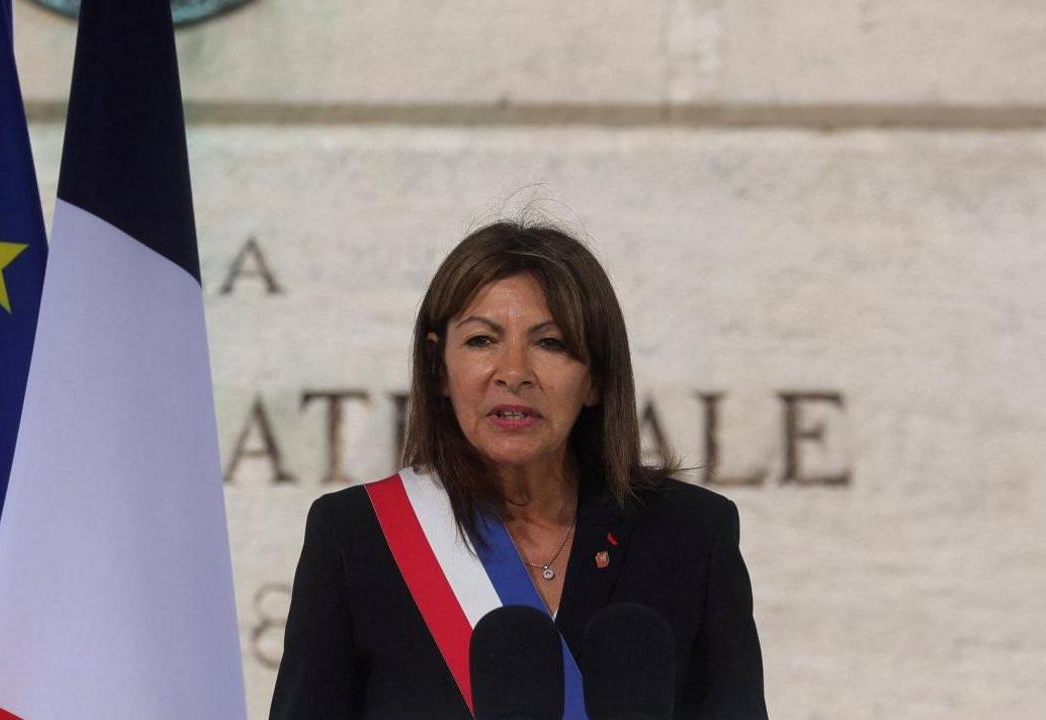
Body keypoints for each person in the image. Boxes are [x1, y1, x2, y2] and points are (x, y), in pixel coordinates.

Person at [269, 222, 767, 720]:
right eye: (483, 340)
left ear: (595, 378)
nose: (514, 372)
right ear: (440, 368)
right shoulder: (358, 536)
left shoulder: (690, 534)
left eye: (550, 343)